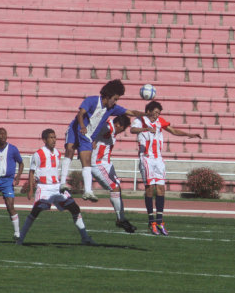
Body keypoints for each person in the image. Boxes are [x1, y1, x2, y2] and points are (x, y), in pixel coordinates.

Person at [60, 79, 144, 202]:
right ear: (108, 96)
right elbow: (80, 114)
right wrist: (82, 126)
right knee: (70, 151)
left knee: (87, 161)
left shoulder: (112, 108)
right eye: (115, 99)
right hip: (76, 128)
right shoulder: (92, 100)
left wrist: (146, 114)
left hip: (87, 136)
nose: (116, 102)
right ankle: (62, 183)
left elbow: (130, 112)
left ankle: (88, 191)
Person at [130, 101, 201, 235]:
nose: (157, 115)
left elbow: (173, 131)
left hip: (158, 159)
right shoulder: (140, 120)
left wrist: (188, 134)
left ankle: (160, 221)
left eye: (159, 113)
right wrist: (145, 129)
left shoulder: (160, 121)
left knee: (161, 189)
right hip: (146, 158)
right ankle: (152, 222)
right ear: (149, 111)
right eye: (155, 112)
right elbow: (132, 130)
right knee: (150, 188)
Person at [16, 128, 97, 246]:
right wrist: (30, 189)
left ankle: (85, 238)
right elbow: (32, 172)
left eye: (55, 137)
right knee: (35, 212)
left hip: (57, 187)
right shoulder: (38, 154)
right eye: (51, 137)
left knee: (75, 208)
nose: (54, 140)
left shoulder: (58, 153)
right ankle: (20, 239)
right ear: (44, 140)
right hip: (44, 187)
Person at [91, 115, 137, 233]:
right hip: (97, 163)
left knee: (117, 188)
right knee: (114, 188)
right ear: (118, 125)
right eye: (122, 129)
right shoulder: (107, 127)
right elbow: (94, 128)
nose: (122, 131)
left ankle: (120, 219)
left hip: (106, 164)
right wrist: (92, 140)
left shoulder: (111, 129)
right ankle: (121, 219)